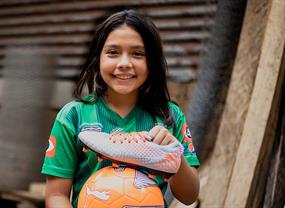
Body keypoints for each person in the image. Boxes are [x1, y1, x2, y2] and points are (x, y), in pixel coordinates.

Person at [41, 10, 200, 208]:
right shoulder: (73, 116)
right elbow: (56, 195)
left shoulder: (169, 116)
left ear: (152, 61)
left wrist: (173, 153)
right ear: (97, 58)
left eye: (138, 54)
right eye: (113, 53)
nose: (125, 64)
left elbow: (189, 196)